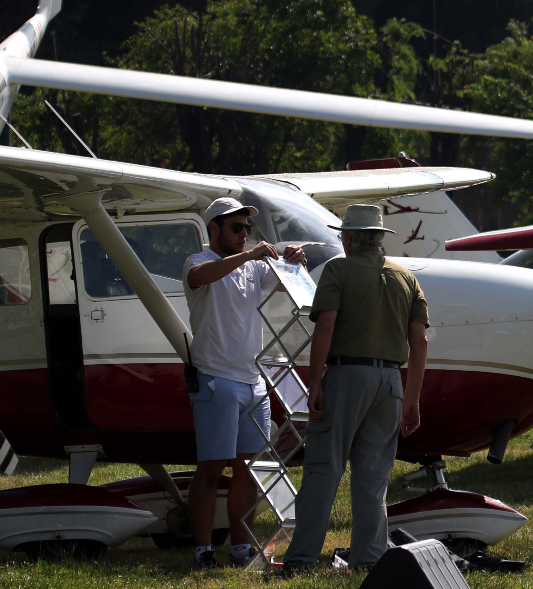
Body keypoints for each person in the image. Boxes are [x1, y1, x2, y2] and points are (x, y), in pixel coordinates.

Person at [282, 204, 429, 572]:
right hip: (391, 382)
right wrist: (412, 399)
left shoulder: (338, 270)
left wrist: (315, 382)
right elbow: (420, 341)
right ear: (379, 237)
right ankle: (369, 559)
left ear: (348, 237)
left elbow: (326, 326)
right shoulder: (406, 277)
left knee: (323, 469)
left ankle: (301, 559)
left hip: (347, 376)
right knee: (374, 475)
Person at [182, 197, 306, 569]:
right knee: (211, 468)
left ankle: (241, 547)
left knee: (248, 468)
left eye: (246, 229)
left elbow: (283, 278)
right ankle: (202, 549)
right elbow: (199, 279)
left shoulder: (251, 265)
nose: (243, 235)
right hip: (216, 380)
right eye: (236, 228)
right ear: (214, 229)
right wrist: (250, 254)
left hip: (253, 382)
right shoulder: (198, 262)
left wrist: (293, 257)